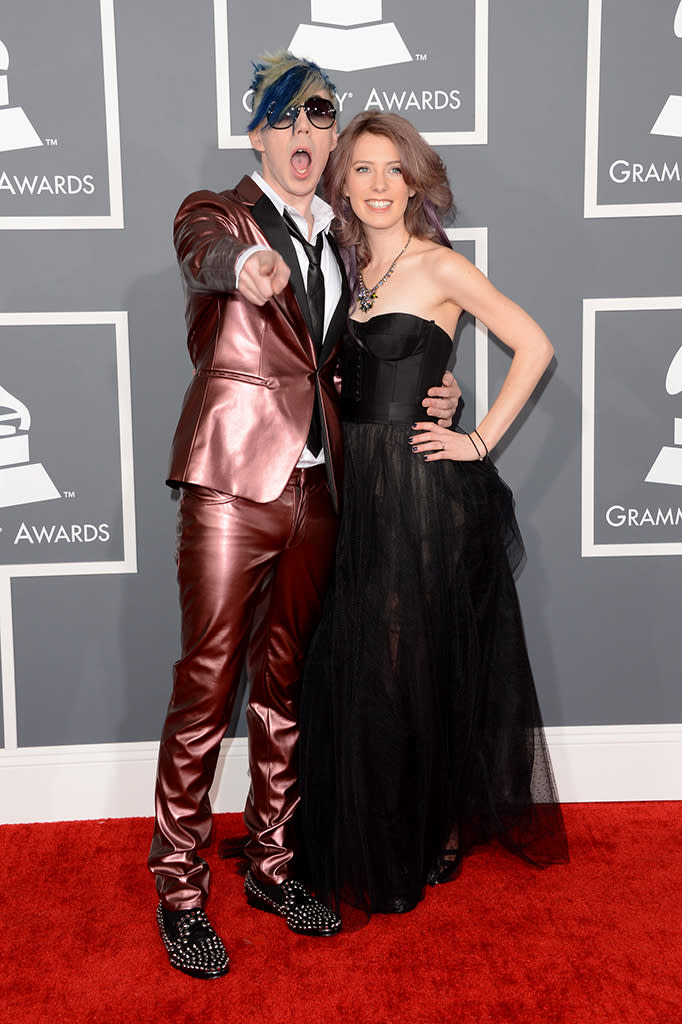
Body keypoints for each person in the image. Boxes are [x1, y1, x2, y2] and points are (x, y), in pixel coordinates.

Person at [147, 55, 459, 978]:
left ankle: (275, 868)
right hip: (230, 486)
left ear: (328, 140)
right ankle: (179, 891)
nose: (303, 136)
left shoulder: (345, 241)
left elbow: (376, 350)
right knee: (207, 687)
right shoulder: (219, 212)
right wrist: (243, 264)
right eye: (285, 120)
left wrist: (436, 396)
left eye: (318, 121)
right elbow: (205, 252)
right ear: (259, 136)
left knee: (287, 691)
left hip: (319, 494)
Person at [299, 111, 570, 917]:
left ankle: (431, 830)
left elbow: (536, 345)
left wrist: (478, 438)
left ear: (415, 181)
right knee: (357, 664)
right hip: (351, 492)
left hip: (418, 494)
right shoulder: (343, 275)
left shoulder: (441, 267)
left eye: (394, 170)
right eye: (364, 170)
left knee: (411, 663)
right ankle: (373, 822)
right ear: (341, 182)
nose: (379, 185)